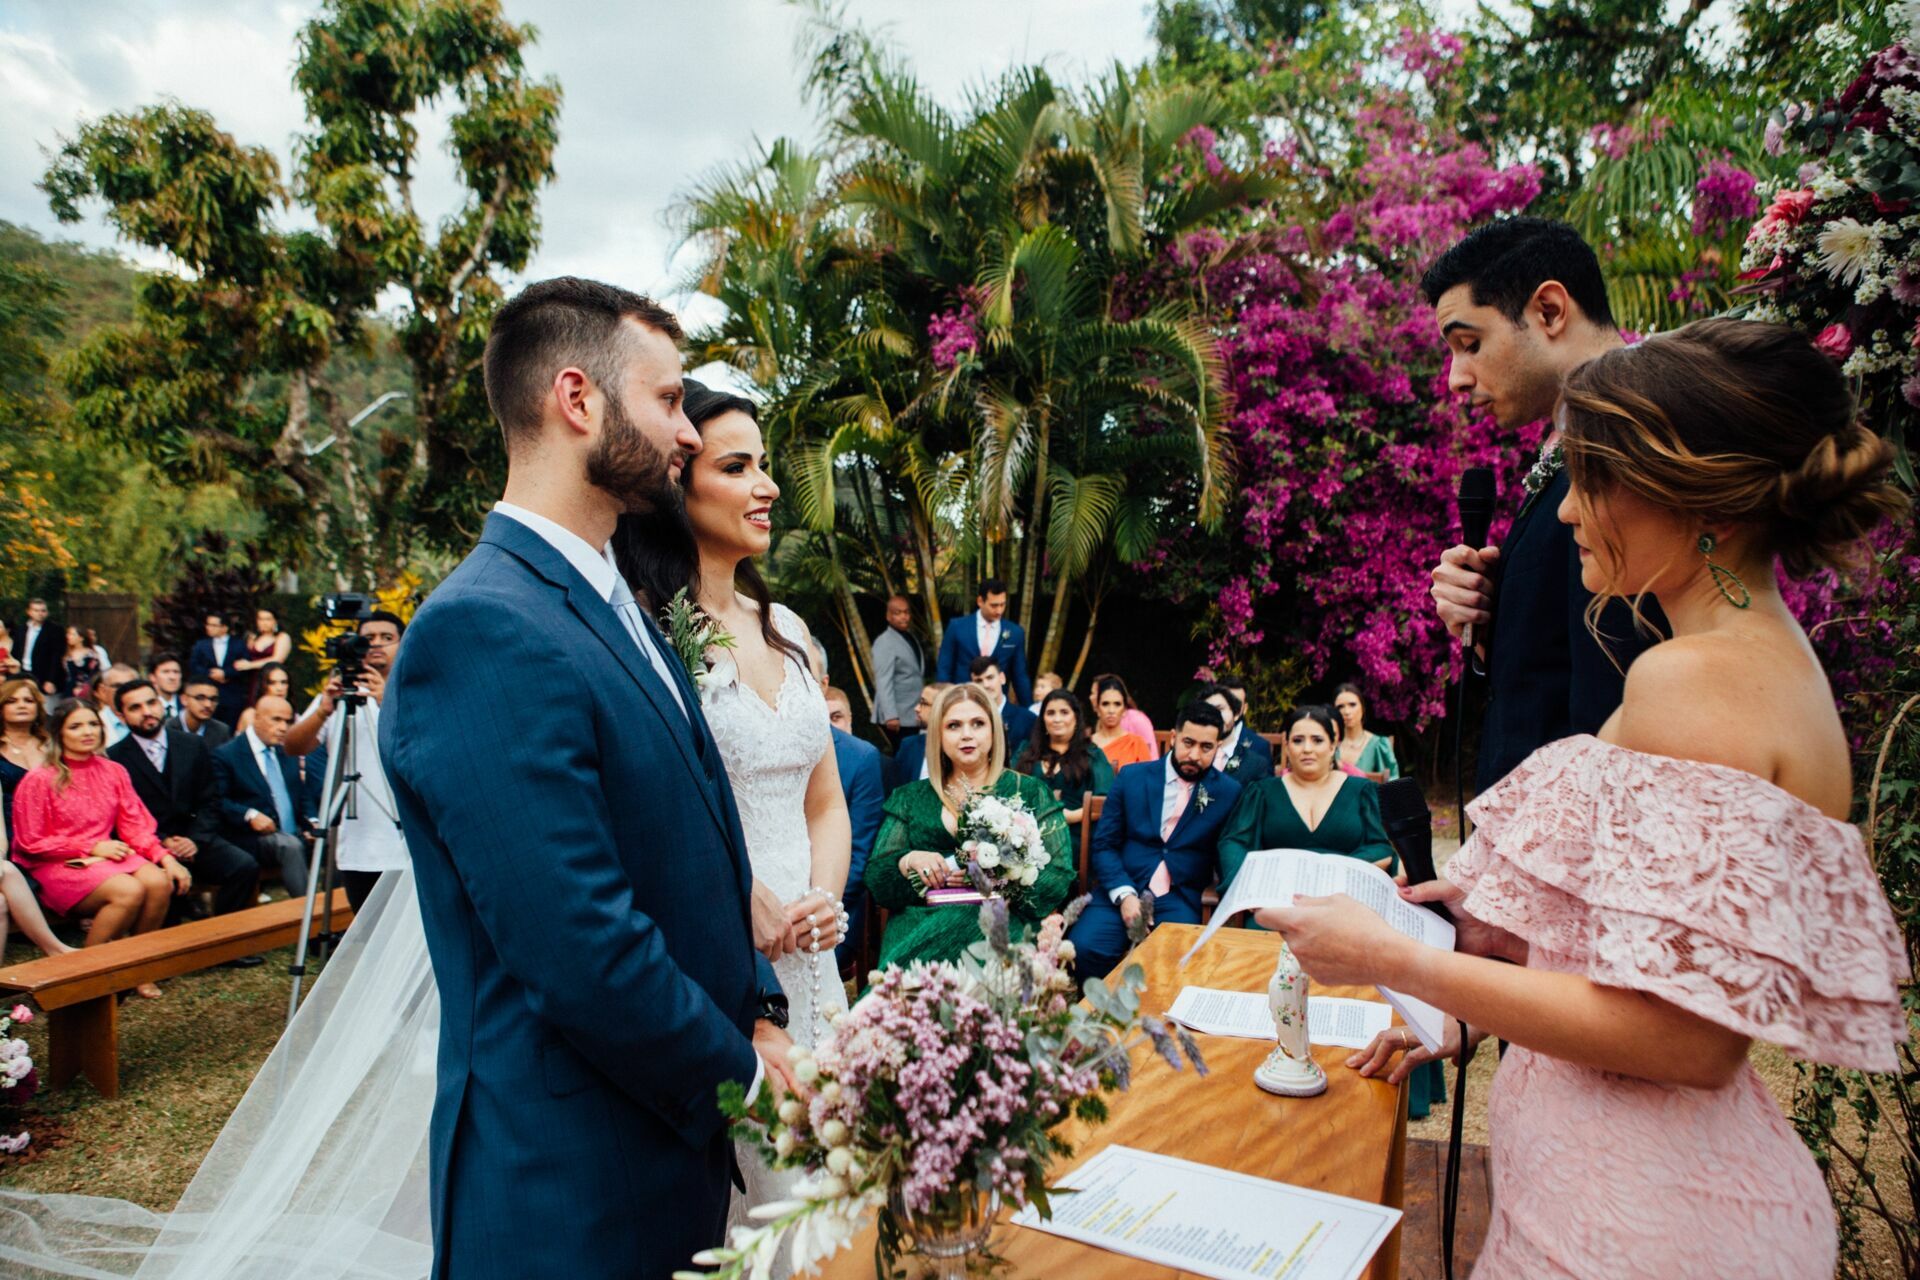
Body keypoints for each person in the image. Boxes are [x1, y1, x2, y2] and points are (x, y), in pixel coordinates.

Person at [1270, 318, 1909, 1277]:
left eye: (1593, 480)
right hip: (1621, 1197)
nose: (1568, 512)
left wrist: (1391, 957)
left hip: (1638, 1225)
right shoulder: (1755, 664)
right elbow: (1646, 955)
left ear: (1703, 502)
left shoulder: (1699, 682)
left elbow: (1682, 1039)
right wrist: (1492, 938)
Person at [381, 279, 796, 1279]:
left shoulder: (622, 602)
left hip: (660, 1150)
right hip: (569, 1191)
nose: (687, 434)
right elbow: (579, 943)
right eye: (665, 402)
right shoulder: (483, 629)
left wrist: (760, 1008)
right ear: (578, 399)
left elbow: (697, 847)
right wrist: (746, 1076)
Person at [615, 377, 852, 1270]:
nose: (768, 487)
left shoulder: (787, 626)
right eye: (737, 466)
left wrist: (824, 898)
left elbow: (822, 799)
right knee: (761, 1197)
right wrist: (743, 896)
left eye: (766, 466)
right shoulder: (644, 631)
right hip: (713, 939)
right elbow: (649, 816)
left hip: (811, 947)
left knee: (835, 1180)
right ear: (679, 481)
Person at [1422, 218, 1660, 791]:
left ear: (1550, 310)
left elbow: (1616, 690)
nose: (1455, 379)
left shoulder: (1629, 441)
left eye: (1470, 344)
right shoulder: (1573, 439)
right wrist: (1488, 617)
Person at [865, 683, 1072, 970]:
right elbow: (878, 879)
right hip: (920, 924)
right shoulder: (909, 798)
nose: (966, 734)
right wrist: (909, 860)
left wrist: (1001, 881)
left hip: (1002, 920)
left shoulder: (1029, 791)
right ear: (937, 734)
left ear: (993, 731)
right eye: (953, 725)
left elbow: (1058, 874)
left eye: (977, 723)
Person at [12, 701, 191, 997]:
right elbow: (31, 841)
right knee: (128, 891)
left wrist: (165, 858)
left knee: (158, 882)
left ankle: (137, 968)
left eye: (92, 724)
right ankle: (86, 974)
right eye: (76, 726)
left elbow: (135, 824)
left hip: (107, 855)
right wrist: (92, 846)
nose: (87, 732)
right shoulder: (41, 778)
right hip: (57, 862)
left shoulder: (114, 771)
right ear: (59, 733)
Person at [1066, 700, 1239, 980]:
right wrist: (1124, 895)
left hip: (1180, 897)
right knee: (1085, 947)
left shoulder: (1228, 792)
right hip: (1123, 887)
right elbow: (1105, 844)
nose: (1194, 754)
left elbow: (1229, 850)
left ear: (1218, 747)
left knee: (1176, 960)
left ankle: (1152, 1020)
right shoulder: (1133, 778)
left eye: (1206, 747)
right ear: (1173, 737)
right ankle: (1099, 1017)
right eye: (1188, 743)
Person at [109, 680, 263, 937]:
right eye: (135, 707)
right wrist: (161, 844)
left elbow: (211, 799)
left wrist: (195, 839)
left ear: (161, 703)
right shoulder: (115, 758)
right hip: (149, 849)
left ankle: (225, 940)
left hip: (196, 838)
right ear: (120, 715)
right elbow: (120, 819)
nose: (147, 711)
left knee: (244, 866)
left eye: (151, 702)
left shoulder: (192, 745)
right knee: (164, 895)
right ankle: (165, 948)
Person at [282, 611, 409, 913]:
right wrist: (323, 711)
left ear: (402, 644)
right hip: (358, 845)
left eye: (387, 638)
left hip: (406, 841)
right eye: (368, 638)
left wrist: (384, 700)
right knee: (366, 936)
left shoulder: (412, 691)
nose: (376, 644)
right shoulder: (339, 693)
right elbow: (292, 745)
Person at [1219, 705, 1396, 883]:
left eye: (1317, 740)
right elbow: (1234, 842)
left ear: (1333, 746)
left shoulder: (1362, 791)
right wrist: (1245, 884)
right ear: (1287, 747)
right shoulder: (1261, 793)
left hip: (1344, 891)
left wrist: (1337, 870)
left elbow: (1380, 846)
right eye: (1298, 740)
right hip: (1278, 893)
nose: (1307, 749)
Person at [213, 695, 316, 899]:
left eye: (288, 722)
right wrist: (249, 815)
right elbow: (218, 801)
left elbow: (301, 794)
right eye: (276, 720)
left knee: (334, 835)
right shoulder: (227, 754)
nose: (283, 727)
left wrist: (314, 822)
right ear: (257, 718)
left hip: (294, 832)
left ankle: (348, 915)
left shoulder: (286, 751)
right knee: (289, 846)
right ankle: (309, 916)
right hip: (253, 838)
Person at [0, 680, 73, 959]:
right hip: (11, 831)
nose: (21, 705)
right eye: (13, 700)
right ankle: (55, 948)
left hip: (55, 829)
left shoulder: (53, 745)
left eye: (28, 700)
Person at [823, 686, 885, 972]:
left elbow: (861, 853)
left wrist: (823, 910)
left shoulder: (861, 757)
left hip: (839, 905)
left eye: (836, 717)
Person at [1013, 688, 1114, 823]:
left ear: (1076, 718)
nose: (1057, 719)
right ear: (1043, 719)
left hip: (1075, 835)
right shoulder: (1026, 751)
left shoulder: (1092, 755)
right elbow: (1006, 791)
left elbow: (1105, 803)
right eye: (1050, 713)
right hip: (1028, 834)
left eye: (1064, 712)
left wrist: (1069, 817)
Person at [936, 578, 1031, 703]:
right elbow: (944, 669)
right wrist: (944, 703)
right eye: (994, 605)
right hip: (962, 701)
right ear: (980, 601)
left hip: (996, 704)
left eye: (1002, 604)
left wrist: (1029, 710)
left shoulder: (1015, 633)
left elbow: (1020, 676)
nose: (999, 611)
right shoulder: (957, 627)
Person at [869, 594, 927, 744]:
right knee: (902, 758)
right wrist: (891, 715)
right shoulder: (884, 642)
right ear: (888, 616)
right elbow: (883, 680)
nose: (903, 617)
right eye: (898, 613)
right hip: (896, 718)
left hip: (911, 714)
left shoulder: (910, 637)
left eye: (906, 612)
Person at [1201, 682, 1274, 781]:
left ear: (1236, 714)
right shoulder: (1192, 756)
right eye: (1208, 710)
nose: (1214, 715)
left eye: (1220, 709)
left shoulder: (1257, 763)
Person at [886, 681, 948, 792]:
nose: (917, 708)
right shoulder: (909, 745)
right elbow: (898, 792)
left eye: (923, 703)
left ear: (942, 709)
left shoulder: (962, 747)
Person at [189, 612, 248, 728]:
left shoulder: (238, 644)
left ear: (224, 628)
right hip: (208, 694)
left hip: (232, 694)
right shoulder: (201, 644)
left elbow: (245, 666)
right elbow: (193, 665)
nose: (209, 628)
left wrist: (226, 673)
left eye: (213, 625)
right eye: (208, 624)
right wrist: (210, 674)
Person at [1332, 683, 1398, 781]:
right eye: (1340, 707)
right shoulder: (1330, 745)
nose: (1346, 711)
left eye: (1352, 705)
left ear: (1362, 708)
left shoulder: (1378, 744)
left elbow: (1393, 782)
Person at [1089, 674, 1155, 768]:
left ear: (1124, 710)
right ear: (1098, 709)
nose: (1111, 710)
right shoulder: (1087, 744)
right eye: (1105, 704)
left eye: (1117, 704)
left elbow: (1147, 777)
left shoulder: (1136, 743)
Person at [970, 654, 1036, 747]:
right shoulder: (967, 719)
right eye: (979, 681)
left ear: (1002, 678)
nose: (985, 685)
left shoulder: (1027, 720)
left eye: (990, 678)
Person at [235, 606, 294, 704]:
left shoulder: (282, 637)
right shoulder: (253, 637)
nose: (264, 622)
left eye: (268, 619)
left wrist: (249, 665)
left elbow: (277, 659)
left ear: (275, 621)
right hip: (253, 680)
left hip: (272, 679)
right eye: (260, 619)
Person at [13, 599, 62, 696]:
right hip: (23, 671)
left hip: (43, 675)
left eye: (43, 611)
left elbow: (56, 656)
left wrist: (51, 680)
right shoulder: (22, 629)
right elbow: (16, 651)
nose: (40, 613)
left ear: (47, 613)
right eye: (36, 610)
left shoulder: (55, 630)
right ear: (29, 612)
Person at [234, 662, 293, 737]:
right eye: (272, 683)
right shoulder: (250, 716)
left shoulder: (296, 718)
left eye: (283, 682)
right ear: (263, 686)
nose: (279, 688)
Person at [90, 663, 138, 748]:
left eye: (130, 685)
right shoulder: (93, 724)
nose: (124, 691)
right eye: (117, 686)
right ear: (103, 691)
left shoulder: (150, 718)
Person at [177, 676, 233, 747]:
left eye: (213, 699)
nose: (208, 705)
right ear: (184, 700)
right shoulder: (167, 728)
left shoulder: (221, 731)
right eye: (200, 698)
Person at [61, 626, 100, 700]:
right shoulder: (67, 655)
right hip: (69, 691)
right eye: (68, 634)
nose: (69, 637)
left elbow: (94, 674)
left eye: (72, 634)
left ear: (81, 638)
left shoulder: (91, 655)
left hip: (86, 691)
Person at [149, 654, 186, 721]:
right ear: (153, 677)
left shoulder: (187, 705)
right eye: (166, 672)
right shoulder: (147, 708)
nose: (172, 677)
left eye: (176, 672)